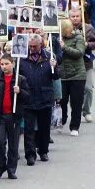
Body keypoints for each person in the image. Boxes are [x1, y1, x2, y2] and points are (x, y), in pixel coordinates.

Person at [20, 34, 58, 165]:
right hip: (29, 98)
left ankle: (43, 151)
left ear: (41, 45)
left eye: (34, 46)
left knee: (44, 127)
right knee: (29, 129)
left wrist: (55, 66)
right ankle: (30, 155)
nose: (31, 48)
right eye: (30, 46)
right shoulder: (22, 58)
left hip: (45, 97)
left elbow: (56, 76)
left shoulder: (49, 57)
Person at [0, 55, 30, 179]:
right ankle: (2, 166)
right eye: (2, 64)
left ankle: (11, 169)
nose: (4, 67)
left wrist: (20, 92)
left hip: (14, 116)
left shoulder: (20, 79)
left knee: (13, 144)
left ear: (12, 64)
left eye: (6, 64)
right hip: (0, 116)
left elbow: (28, 96)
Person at [59, 19, 87, 136]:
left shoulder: (78, 38)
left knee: (76, 102)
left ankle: (75, 126)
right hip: (63, 76)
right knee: (62, 101)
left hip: (77, 75)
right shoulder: (59, 38)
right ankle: (62, 119)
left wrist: (64, 47)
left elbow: (79, 53)